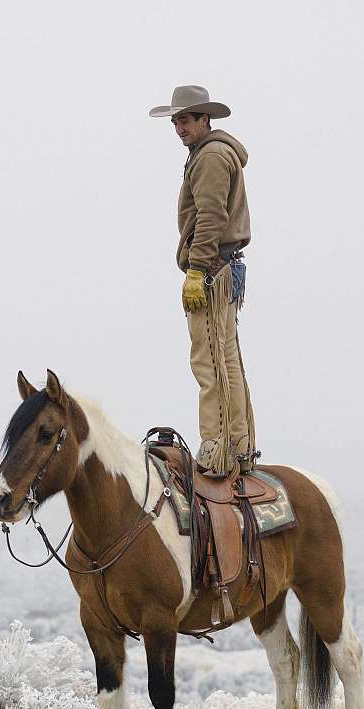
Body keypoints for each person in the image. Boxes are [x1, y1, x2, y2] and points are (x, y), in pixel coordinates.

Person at [149, 85, 258, 475]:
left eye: (186, 119)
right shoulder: (213, 153)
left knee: (209, 361)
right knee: (226, 360)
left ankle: (218, 449)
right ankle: (241, 445)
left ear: (204, 119)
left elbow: (210, 216)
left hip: (213, 270)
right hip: (224, 267)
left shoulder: (210, 157)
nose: (179, 127)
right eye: (176, 120)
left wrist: (196, 269)